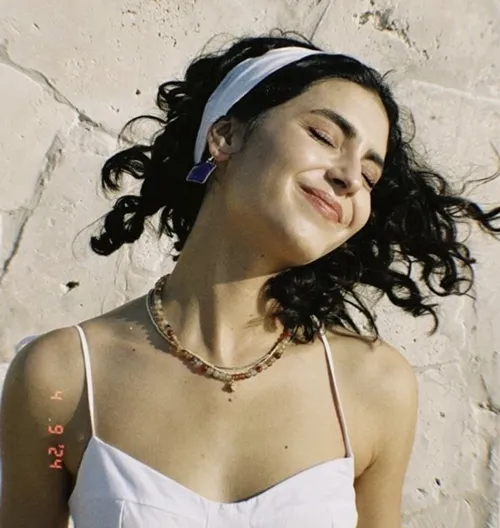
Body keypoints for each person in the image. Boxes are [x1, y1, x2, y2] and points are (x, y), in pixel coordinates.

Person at [1, 29, 499, 528]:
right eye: (324, 136)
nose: (350, 177)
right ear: (225, 136)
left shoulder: (375, 387)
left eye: (369, 176)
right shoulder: (60, 380)